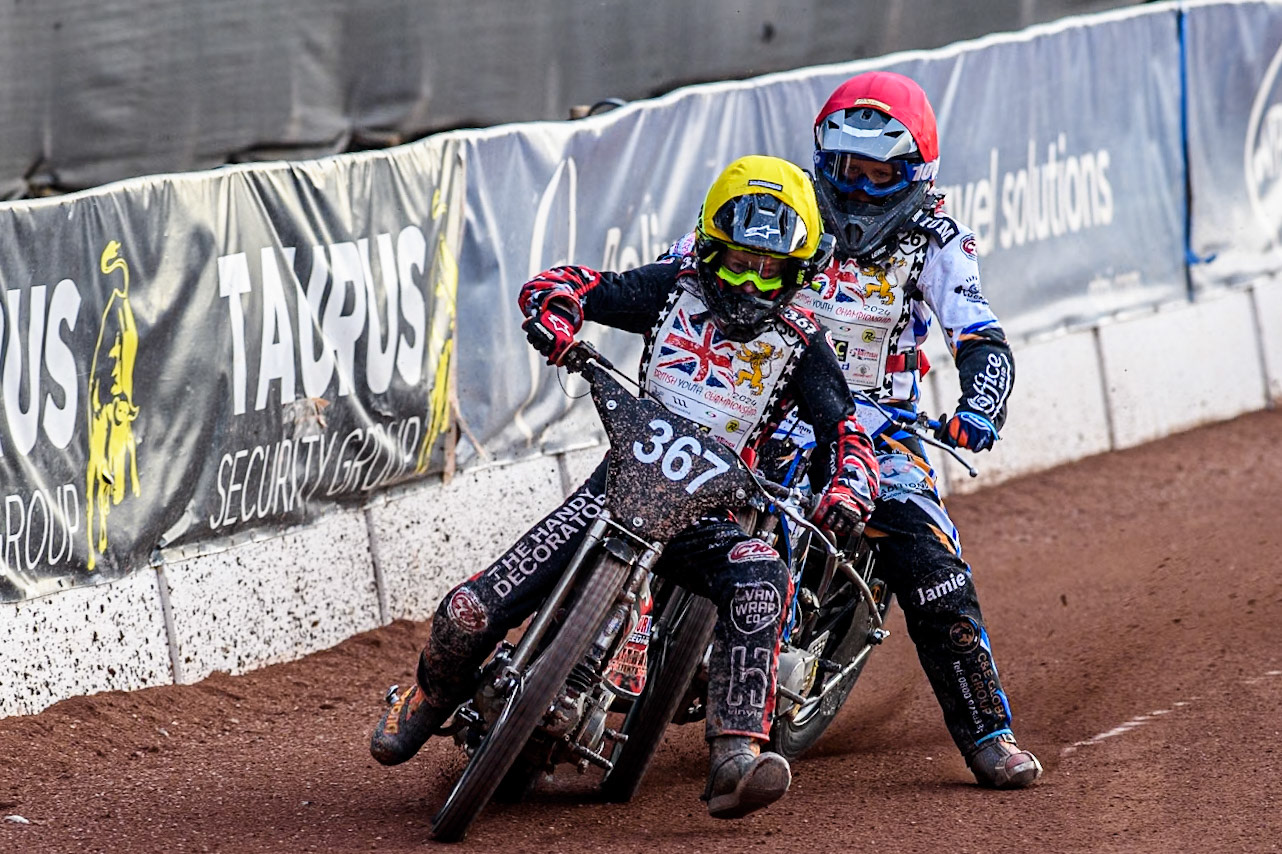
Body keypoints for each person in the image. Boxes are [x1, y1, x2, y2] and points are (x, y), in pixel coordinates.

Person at [369, 155, 881, 819]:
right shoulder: (674, 288)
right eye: (737, 262)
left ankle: (736, 755)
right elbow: (575, 285)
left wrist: (847, 489)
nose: (751, 283)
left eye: (770, 268)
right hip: (616, 488)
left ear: (800, 272)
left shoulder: (804, 343)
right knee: (469, 611)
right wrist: (555, 316)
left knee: (764, 580)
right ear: (708, 250)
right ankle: (427, 699)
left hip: (710, 516)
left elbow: (847, 432)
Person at [800, 69, 1042, 788]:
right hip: (766, 405)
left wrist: (980, 408)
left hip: (878, 428)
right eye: (850, 169)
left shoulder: (939, 239)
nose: (864, 189)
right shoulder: (788, 207)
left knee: (935, 569)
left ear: (916, 171)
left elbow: (981, 336)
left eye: (884, 174)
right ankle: (587, 668)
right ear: (825, 159)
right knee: (654, 495)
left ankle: (988, 733)